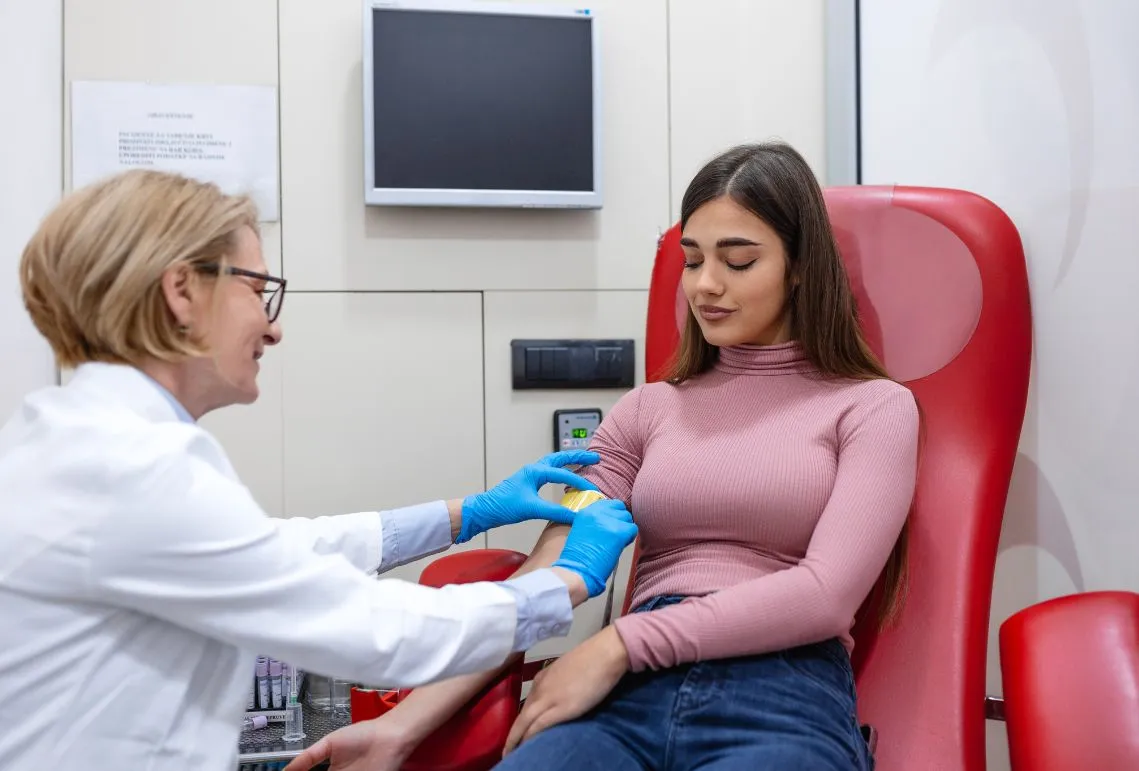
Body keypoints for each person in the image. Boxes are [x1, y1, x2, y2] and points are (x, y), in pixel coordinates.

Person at [295, 141, 920, 771]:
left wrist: (621, 643)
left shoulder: (872, 408)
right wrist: (400, 728)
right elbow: (545, 580)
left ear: (800, 266)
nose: (705, 285)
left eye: (738, 261)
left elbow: (825, 595)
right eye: (693, 259)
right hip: (624, 698)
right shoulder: (648, 410)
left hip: (779, 694)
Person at [0, 169, 638, 771]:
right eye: (257, 290)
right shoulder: (132, 467)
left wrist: (466, 515)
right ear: (182, 291)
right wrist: (566, 581)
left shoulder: (79, 443)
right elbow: (375, 629)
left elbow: (278, 551)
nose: (272, 329)